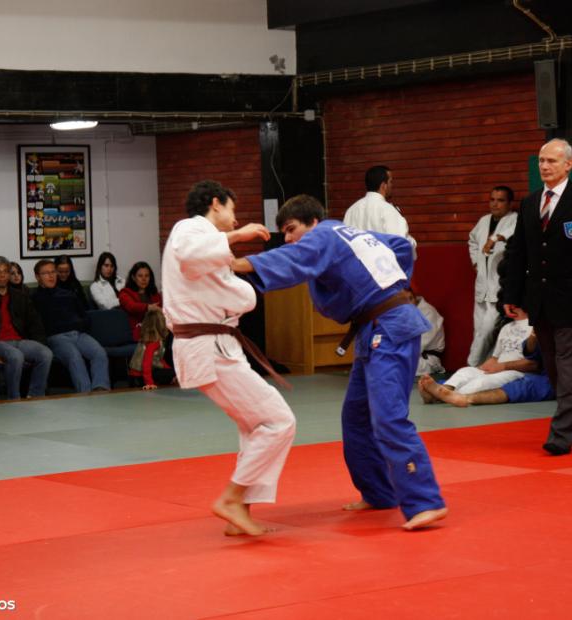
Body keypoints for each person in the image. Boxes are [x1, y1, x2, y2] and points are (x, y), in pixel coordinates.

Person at [232, 194, 447, 531]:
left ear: (313, 222)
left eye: (291, 229)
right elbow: (403, 248)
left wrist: (238, 265)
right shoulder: (352, 234)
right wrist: (393, 282)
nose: (287, 238)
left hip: (389, 327)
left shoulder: (325, 234)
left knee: (389, 417)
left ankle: (425, 502)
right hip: (375, 329)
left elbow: (293, 258)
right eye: (284, 233)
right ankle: (379, 493)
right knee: (356, 419)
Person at [161, 180, 296, 537]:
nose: (236, 221)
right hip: (208, 346)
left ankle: (241, 509)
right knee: (278, 421)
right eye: (233, 211)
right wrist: (238, 239)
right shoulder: (189, 229)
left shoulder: (210, 248)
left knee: (256, 425)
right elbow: (191, 258)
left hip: (217, 345)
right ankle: (232, 499)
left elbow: (227, 288)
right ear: (216, 204)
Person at [502, 138, 572, 456]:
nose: (545, 166)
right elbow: (519, 252)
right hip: (540, 299)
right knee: (552, 366)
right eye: (541, 161)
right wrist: (512, 294)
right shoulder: (530, 202)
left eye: (551, 161)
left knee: (569, 366)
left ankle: (561, 434)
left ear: (569, 164)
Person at [419, 320, 572, 408]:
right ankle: (440, 392)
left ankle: (465, 398)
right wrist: (535, 334)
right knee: (468, 372)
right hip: (547, 373)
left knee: (522, 387)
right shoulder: (539, 319)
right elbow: (531, 352)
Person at [0, 256, 53, 399]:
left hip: (20, 341)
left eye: (6, 271)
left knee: (46, 353)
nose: (2, 275)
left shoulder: (20, 296)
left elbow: (35, 324)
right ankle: (13, 398)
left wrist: (38, 345)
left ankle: (35, 395)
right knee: (16, 356)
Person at [32, 259, 110, 393]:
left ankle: (100, 389)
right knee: (74, 357)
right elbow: (36, 325)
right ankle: (85, 393)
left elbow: (85, 316)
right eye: (46, 273)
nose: (51, 276)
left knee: (99, 352)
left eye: (53, 272)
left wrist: (79, 326)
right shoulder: (34, 298)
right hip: (56, 338)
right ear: (38, 277)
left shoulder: (68, 294)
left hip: (78, 334)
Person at [467, 186, 518, 366]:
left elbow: (510, 236)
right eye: (492, 199)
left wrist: (494, 238)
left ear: (510, 203)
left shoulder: (515, 220)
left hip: (499, 287)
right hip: (482, 285)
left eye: (500, 200)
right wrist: (475, 261)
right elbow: (472, 240)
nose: (495, 204)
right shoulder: (483, 221)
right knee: (479, 331)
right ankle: (483, 368)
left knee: (487, 330)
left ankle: (471, 366)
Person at [343, 165, 416, 254]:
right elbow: (400, 243)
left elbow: (345, 243)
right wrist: (413, 242)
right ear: (383, 186)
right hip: (382, 265)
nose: (391, 185)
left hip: (357, 266)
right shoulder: (388, 210)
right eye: (390, 182)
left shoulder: (351, 211)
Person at [127, 310, 175, 390]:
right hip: (139, 378)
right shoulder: (153, 342)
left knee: (171, 372)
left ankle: (170, 378)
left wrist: (168, 369)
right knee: (172, 373)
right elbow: (146, 363)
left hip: (135, 377)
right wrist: (149, 383)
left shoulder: (148, 339)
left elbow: (159, 359)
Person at [119, 261, 163, 341]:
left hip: (157, 328)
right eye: (140, 276)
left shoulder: (154, 294)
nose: (144, 279)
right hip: (139, 331)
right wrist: (148, 307)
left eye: (147, 276)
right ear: (133, 277)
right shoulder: (125, 293)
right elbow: (131, 306)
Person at [412, 292, 445, 376]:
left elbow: (417, 346)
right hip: (409, 356)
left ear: (413, 297)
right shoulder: (401, 311)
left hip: (425, 359)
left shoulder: (428, 313)